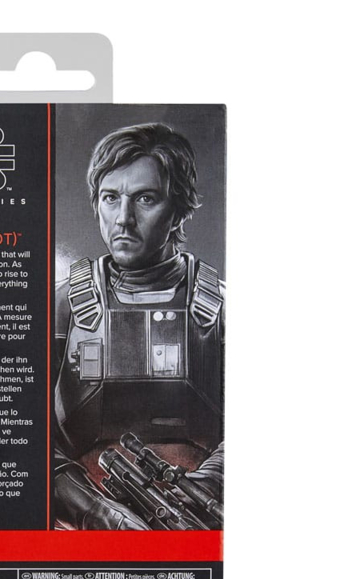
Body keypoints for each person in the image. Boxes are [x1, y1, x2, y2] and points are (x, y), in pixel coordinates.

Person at [54, 123, 224, 530]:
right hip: (83, 532)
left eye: (145, 198)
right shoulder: (61, 305)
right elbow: (17, 434)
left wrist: (205, 488)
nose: (124, 219)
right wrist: (97, 512)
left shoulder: (223, 307)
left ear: (179, 208)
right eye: (111, 198)